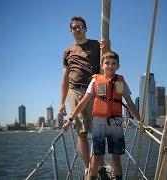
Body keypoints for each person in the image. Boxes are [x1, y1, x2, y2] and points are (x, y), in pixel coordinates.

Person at [62, 51, 142, 180]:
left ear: (118, 66)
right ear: (102, 64)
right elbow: (83, 102)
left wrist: (141, 119)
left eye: (113, 63)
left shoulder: (120, 82)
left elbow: (130, 102)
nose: (110, 66)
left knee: (116, 157)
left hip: (116, 123)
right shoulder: (95, 81)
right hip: (98, 122)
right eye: (107, 63)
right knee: (97, 156)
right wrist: (70, 120)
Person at [59, 16, 109, 175]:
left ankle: (99, 165)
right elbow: (65, 79)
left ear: (85, 29)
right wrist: (61, 103)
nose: (78, 29)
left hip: (94, 89)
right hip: (74, 91)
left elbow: (107, 61)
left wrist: (107, 47)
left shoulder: (96, 45)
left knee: (97, 130)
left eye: (80, 26)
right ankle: (88, 167)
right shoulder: (68, 51)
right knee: (81, 131)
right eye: (74, 27)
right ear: (71, 30)